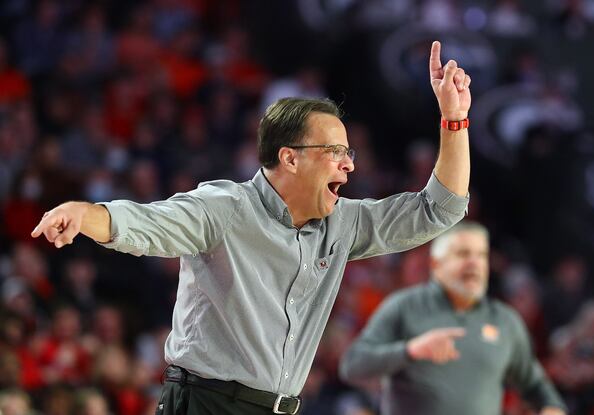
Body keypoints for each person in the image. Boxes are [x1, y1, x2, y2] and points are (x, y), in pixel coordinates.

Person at [31, 41, 471, 415]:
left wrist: (455, 122)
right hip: (207, 403)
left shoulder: (344, 223)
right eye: (336, 150)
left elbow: (439, 209)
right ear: (290, 158)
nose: (350, 163)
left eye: (349, 151)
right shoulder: (225, 208)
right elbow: (148, 223)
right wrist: (84, 214)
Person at [339, 221, 567, 415]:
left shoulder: (505, 320)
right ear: (436, 265)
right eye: (463, 254)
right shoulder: (404, 306)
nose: (474, 263)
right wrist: (410, 350)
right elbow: (353, 365)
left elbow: (535, 384)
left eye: (481, 255)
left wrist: (551, 407)